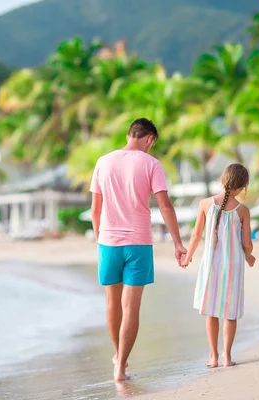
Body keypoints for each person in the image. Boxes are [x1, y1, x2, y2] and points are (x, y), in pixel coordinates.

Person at [89, 117, 187, 381]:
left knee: (112, 303)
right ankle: (120, 366)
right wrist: (177, 242)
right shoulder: (151, 164)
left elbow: (95, 209)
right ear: (149, 139)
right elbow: (165, 205)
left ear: (129, 134)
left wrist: (101, 239)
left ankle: (118, 355)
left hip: (108, 243)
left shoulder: (103, 162)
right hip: (139, 243)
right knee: (131, 308)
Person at [180, 163, 256, 368]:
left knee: (211, 311)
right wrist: (249, 256)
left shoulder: (205, 204)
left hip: (212, 264)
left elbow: (196, 236)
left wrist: (188, 258)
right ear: (243, 187)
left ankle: (213, 356)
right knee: (230, 313)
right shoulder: (243, 211)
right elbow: (247, 244)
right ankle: (227, 357)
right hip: (233, 266)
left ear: (223, 180)